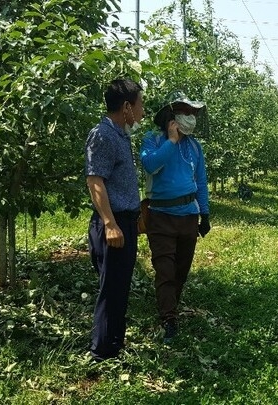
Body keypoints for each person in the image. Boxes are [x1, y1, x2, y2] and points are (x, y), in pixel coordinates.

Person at [139, 91, 211, 344]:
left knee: (181, 268)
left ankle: (171, 304)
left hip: (188, 216)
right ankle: (168, 317)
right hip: (160, 215)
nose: (191, 118)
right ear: (171, 116)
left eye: (193, 113)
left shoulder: (194, 147)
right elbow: (150, 165)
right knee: (165, 268)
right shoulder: (153, 140)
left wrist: (205, 213)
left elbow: (200, 181)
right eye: (185, 113)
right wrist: (170, 140)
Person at [85, 78, 144, 362]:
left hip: (126, 222)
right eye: (140, 104)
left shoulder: (120, 135)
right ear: (126, 107)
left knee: (120, 286)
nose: (142, 111)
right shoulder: (103, 135)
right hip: (114, 224)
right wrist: (110, 223)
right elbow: (95, 181)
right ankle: (101, 352)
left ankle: (114, 345)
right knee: (111, 289)